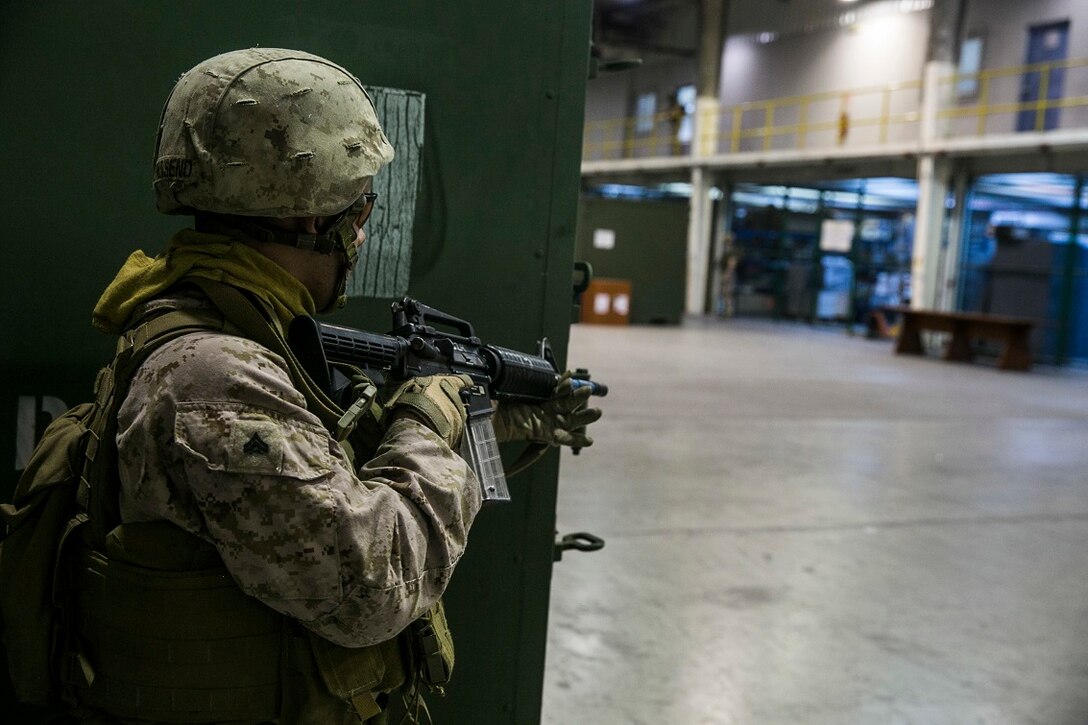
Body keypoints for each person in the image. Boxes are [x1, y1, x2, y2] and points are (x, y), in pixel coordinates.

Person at [63, 47, 601, 724]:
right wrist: (428, 428)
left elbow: (326, 473)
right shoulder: (216, 377)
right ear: (315, 219)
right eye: (360, 206)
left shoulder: (229, 327)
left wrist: (494, 420)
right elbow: (371, 586)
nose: (364, 228)